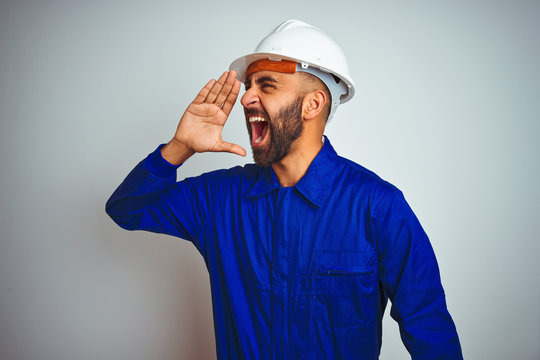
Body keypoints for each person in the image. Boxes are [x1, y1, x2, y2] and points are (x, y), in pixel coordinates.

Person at [106, 20, 463, 359]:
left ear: (313, 104)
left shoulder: (377, 206)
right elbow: (127, 209)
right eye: (249, 86)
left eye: (267, 85)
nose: (247, 99)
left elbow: (429, 331)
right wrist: (180, 146)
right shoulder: (219, 199)